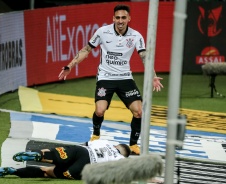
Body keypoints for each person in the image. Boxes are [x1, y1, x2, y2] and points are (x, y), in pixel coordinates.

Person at [58, 4, 163, 155]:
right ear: (113, 18)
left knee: (139, 112)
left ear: (129, 19)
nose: (120, 21)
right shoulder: (102, 32)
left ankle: (133, 145)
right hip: (105, 78)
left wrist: (152, 75)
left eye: (123, 18)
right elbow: (86, 50)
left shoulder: (136, 36)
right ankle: (95, 135)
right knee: (99, 111)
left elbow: (144, 57)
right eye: (118, 18)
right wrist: (70, 65)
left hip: (125, 78)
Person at [0, 139, 131, 180]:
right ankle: (14, 172)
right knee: (46, 172)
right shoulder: (120, 159)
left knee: (53, 154)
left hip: (81, 151)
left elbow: (84, 144)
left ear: (116, 145)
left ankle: (39, 155)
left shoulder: (105, 142)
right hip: (84, 167)